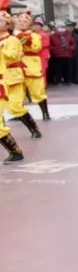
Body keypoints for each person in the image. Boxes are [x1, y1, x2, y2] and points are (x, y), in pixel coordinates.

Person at [1, 10, 28, 163]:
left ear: (8, 24)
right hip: (6, 77)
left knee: (16, 107)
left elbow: (12, 56)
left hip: (8, 78)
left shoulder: (12, 40)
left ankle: (15, 151)